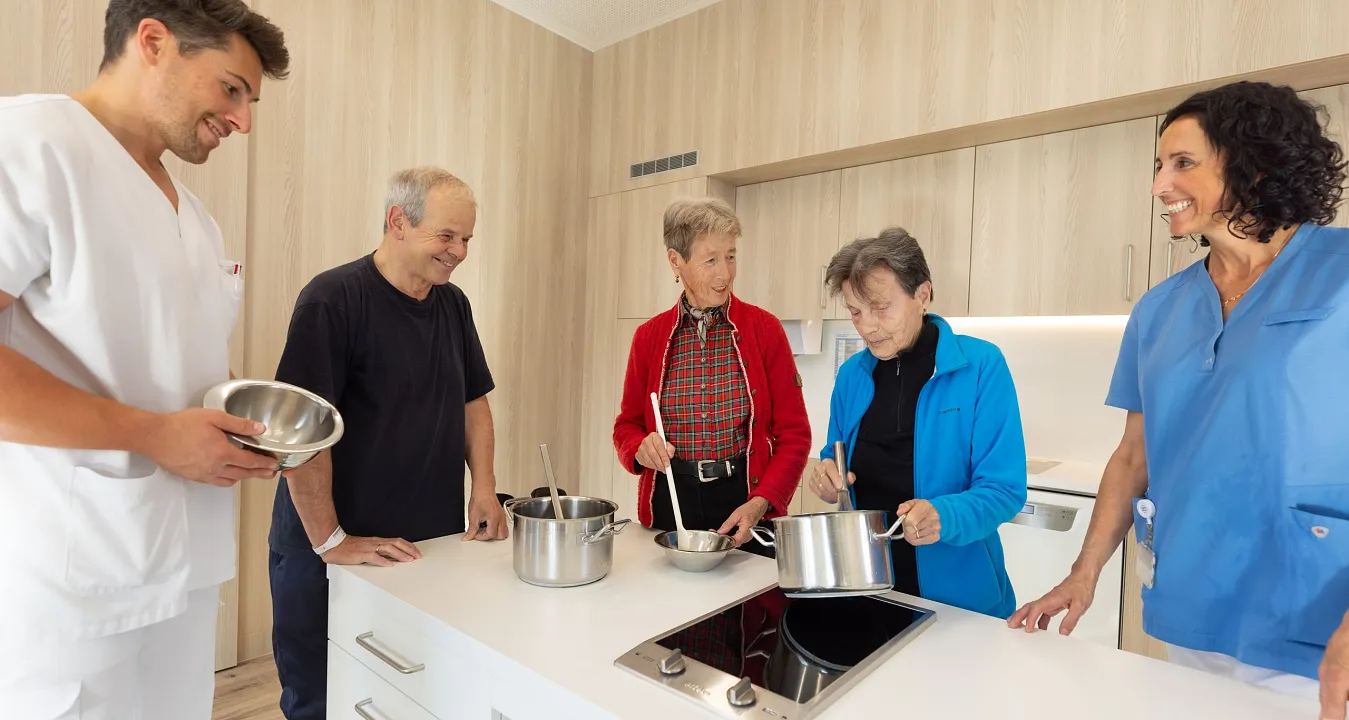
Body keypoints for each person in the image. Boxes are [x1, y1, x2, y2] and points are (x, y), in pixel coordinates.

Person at [1007, 80, 1349, 717]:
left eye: (1183, 164)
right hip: (1193, 602)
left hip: (1318, 619)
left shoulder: (1342, 274)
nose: (1160, 185)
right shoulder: (1160, 308)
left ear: (1256, 164)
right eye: (1159, 166)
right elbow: (1133, 455)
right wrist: (1084, 575)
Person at [0, 1, 290, 718]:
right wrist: (155, 435)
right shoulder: (29, 145)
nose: (243, 121)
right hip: (75, 579)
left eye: (250, 101)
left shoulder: (194, 214)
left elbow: (159, 364)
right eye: (231, 89)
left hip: (184, 565)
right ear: (154, 42)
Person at [267, 166, 509, 720]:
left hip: (423, 552)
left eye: (467, 238)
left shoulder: (453, 305)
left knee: (407, 699)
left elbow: (475, 402)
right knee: (322, 701)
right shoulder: (332, 301)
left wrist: (486, 489)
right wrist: (332, 541)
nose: (459, 252)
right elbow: (297, 433)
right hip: (330, 553)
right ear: (397, 221)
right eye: (446, 236)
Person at [809, 228, 1028, 618]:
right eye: (856, 311)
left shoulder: (981, 366)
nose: (867, 327)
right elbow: (835, 455)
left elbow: (1004, 490)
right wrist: (827, 476)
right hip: (867, 591)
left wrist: (944, 516)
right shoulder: (852, 376)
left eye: (881, 307)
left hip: (960, 603)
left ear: (922, 294)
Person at [613, 196, 810, 555]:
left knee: (747, 609)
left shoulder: (765, 330)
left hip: (744, 506)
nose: (725, 274)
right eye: (710, 260)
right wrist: (639, 449)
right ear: (676, 261)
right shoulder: (648, 337)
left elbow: (795, 434)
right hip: (671, 505)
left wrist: (762, 502)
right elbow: (626, 426)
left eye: (731, 256)